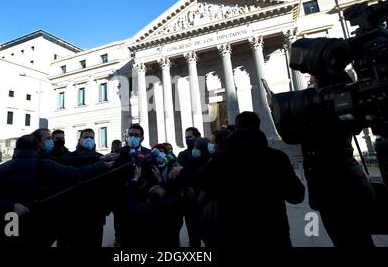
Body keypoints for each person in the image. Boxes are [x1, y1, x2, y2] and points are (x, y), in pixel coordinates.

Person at [171, 111, 305, 247]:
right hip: (274, 232)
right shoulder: (278, 157)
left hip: (235, 233)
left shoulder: (222, 158)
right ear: (259, 126)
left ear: (237, 127)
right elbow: (296, 196)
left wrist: (181, 172)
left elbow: (199, 179)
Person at [0, 134, 114, 247]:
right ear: (37, 149)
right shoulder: (45, 166)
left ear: (15, 150)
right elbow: (77, 174)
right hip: (38, 230)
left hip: (7, 229)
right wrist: (101, 165)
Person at [299, 73, 376, 247]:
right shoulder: (342, 114)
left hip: (335, 191)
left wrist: (276, 108)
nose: (308, 89)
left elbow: (293, 135)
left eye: (312, 84)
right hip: (350, 185)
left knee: (350, 242)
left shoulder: (323, 121)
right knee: (360, 241)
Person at [57, 128, 108, 248]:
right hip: (73, 212)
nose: (89, 140)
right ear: (79, 140)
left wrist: (105, 206)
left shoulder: (102, 157)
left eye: (91, 137)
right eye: (86, 137)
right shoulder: (69, 158)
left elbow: (107, 184)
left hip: (96, 213)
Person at [111, 124, 153, 247]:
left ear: (142, 138)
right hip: (122, 200)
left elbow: (152, 173)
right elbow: (114, 175)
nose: (133, 137)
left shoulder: (147, 153)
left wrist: (145, 182)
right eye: (130, 135)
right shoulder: (119, 153)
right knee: (123, 234)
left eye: (136, 135)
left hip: (142, 199)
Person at [122, 166, 183, 248]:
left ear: (148, 199)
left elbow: (130, 199)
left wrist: (135, 178)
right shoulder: (173, 208)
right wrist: (160, 178)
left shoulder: (142, 210)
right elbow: (171, 195)